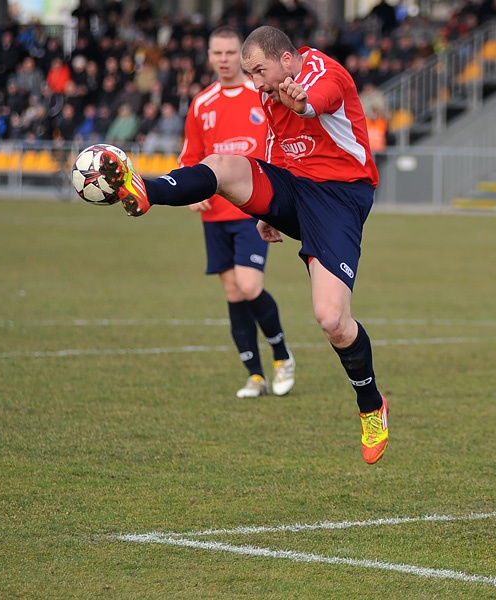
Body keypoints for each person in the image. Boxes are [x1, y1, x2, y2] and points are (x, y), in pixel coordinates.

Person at [87, 25, 390, 464]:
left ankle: (371, 406)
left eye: (259, 71)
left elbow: (318, 98)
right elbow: (276, 150)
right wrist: (266, 211)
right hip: (293, 188)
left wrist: (300, 101)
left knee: (332, 320)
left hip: (340, 198)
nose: (255, 82)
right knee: (224, 166)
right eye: (250, 74)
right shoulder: (267, 95)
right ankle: (144, 189)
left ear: (286, 59)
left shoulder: (325, 71)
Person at [180, 26, 296, 399]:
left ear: (242, 57)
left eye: (231, 52)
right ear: (210, 56)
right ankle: (255, 376)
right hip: (214, 213)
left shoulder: (261, 94)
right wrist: (192, 191)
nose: (225, 59)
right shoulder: (201, 104)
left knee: (249, 286)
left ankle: (281, 356)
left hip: (251, 209)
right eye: (218, 53)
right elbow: (191, 156)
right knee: (233, 293)